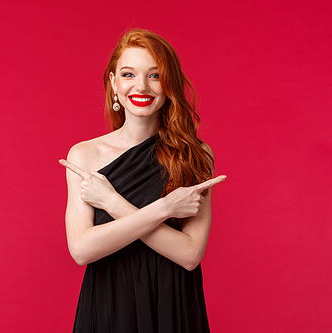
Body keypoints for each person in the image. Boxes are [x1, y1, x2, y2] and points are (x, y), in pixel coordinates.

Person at [59, 29, 226, 333]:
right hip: (110, 304)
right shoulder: (85, 155)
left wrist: (112, 202)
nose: (141, 86)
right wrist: (165, 209)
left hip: (173, 303)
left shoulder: (196, 154)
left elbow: (189, 254)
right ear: (113, 83)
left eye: (154, 75)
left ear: (169, 83)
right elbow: (82, 250)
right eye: (128, 74)